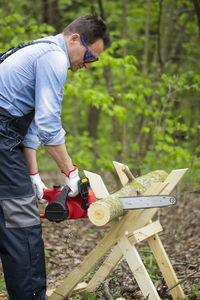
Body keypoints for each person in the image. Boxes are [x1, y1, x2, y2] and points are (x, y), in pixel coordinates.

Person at [0, 14, 110, 300]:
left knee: (10, 214)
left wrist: (33, 175)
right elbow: (49, 124)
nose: (86, 66)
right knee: (21, 222)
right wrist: (70, 172)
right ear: (75, 39)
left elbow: (32, 127)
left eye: (92, 61)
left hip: (5, 135)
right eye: (89, 57)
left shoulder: (43, 50)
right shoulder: (55, 58)